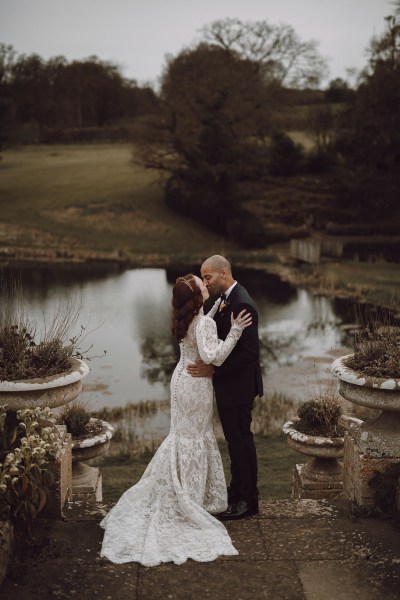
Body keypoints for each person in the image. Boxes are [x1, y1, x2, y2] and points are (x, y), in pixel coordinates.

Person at [100, 273, 252, 566]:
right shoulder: (204, 322)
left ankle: (182, 489)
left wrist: (214, 312)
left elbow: (199, 332)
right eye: (201, 284)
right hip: (196, 388)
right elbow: (213, 357)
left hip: (181, 381)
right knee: (194, 438)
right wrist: (234, 330)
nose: (206, 285)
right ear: (197, 296)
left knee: (182, 437)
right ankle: (190, 498)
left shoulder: (187, 318)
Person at [188, 255, 263, 520]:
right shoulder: (224, 300)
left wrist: (215, 369)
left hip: (239, 387)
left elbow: (250, 354)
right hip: (229, 385)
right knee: (234, 442)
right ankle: (236, 492)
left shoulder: (242, 304)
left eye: (208, 277)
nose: (206, 282)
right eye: (204, 278)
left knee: (241, 442)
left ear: (224, 272)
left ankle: (249, 501)